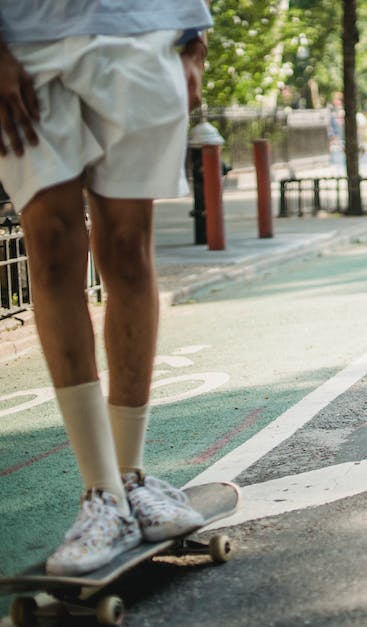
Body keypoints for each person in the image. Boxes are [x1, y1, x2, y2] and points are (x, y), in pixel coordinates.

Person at [0, 2, 213, 575]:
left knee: (125, 248)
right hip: (22, 44)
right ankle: (102, 496)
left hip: (139, 33)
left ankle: (130, 478)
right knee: (48, 251)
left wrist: (194, 38)